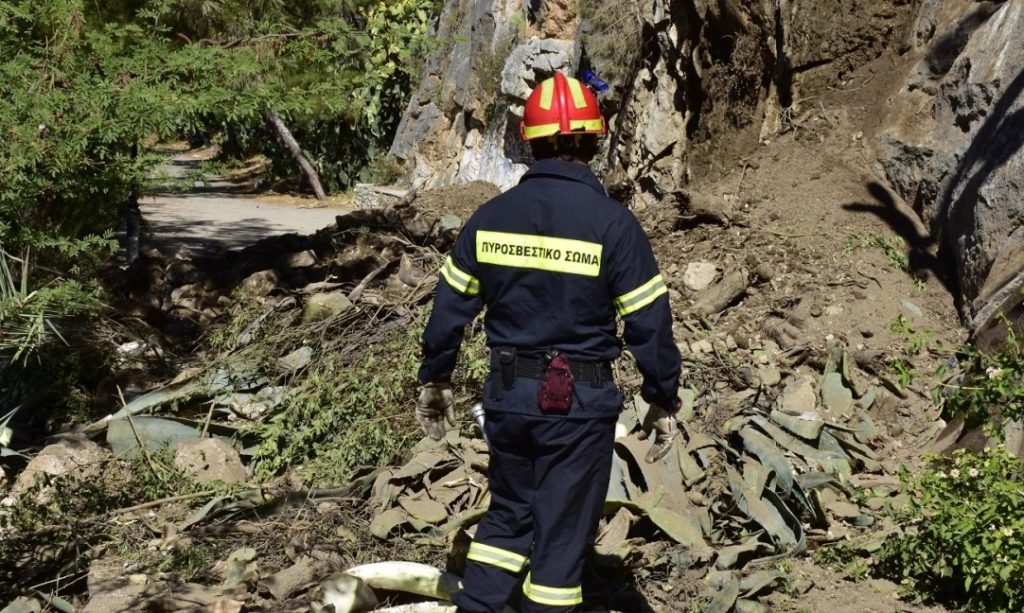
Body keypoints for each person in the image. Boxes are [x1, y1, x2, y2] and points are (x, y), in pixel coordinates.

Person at [414, 71, 682, 613]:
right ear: (593, 140)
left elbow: (448, 310)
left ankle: (480, 607)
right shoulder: (613, 226)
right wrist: (662, 395)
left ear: (530, 143)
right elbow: (648, 322)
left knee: (509, 514)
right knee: (561, 539)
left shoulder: (489, 219)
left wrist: (436, 379)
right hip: (577, 410)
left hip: (508, 400)